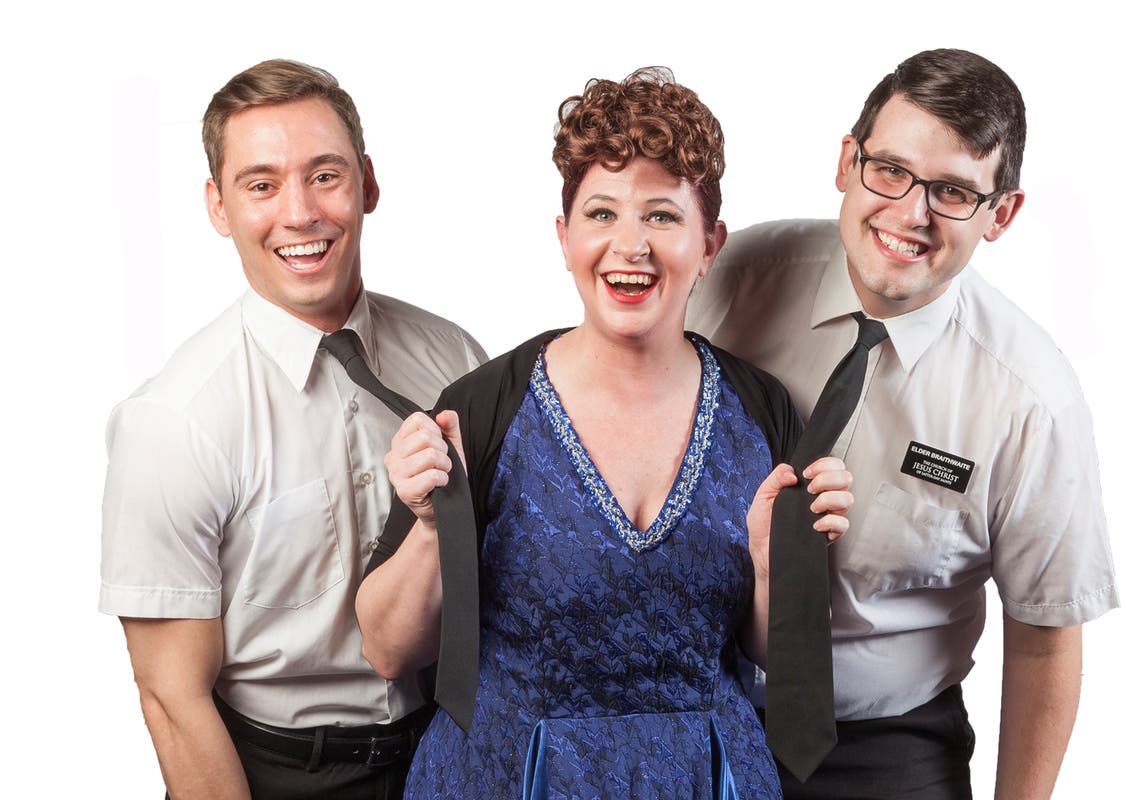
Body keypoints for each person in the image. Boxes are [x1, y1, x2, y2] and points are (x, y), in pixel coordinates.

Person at [355, 68, 851, 798]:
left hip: (705, 780)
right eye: (601, 213)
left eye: (662, 216)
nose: (630, 245)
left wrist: (777, 571)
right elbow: (388, 651)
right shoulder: (483, 407)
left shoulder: (762, 411)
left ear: (709, 245)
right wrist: (432, 529)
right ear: (565, 238)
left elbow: (778, 657)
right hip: (506, 776)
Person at [688, 49, 1119, 799]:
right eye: (890, 170)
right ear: (847, 162)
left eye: (953, 191)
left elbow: (1045, 640)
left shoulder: (1032, 402)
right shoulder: (736, 276)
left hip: (883, 751)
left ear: (1001, 214)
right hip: (688, 713)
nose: (910, 214)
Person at [99, 59, 485, 799]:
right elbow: (172, 699)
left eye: (325, 176)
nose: (300, 213)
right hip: (279, 773)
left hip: (450, 750)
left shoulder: (455, 360)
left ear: (368, 184)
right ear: (219, 207)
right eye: (262, 185)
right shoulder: (174, 422)